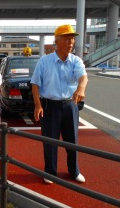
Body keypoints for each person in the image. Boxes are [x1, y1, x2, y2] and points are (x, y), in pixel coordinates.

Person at [30, 24, 88, 184]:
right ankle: (50, 172)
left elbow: (83, 77)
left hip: (70, 105)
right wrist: (37, 105)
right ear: (57, 40)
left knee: (72, 140)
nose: (71, 42)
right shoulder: (44, 61)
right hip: (49, 106)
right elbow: (35, 84)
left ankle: (74, 171)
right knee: (50, 140)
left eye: (72, 39)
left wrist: (81, 88)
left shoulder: (76, 61)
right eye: (67, 39)